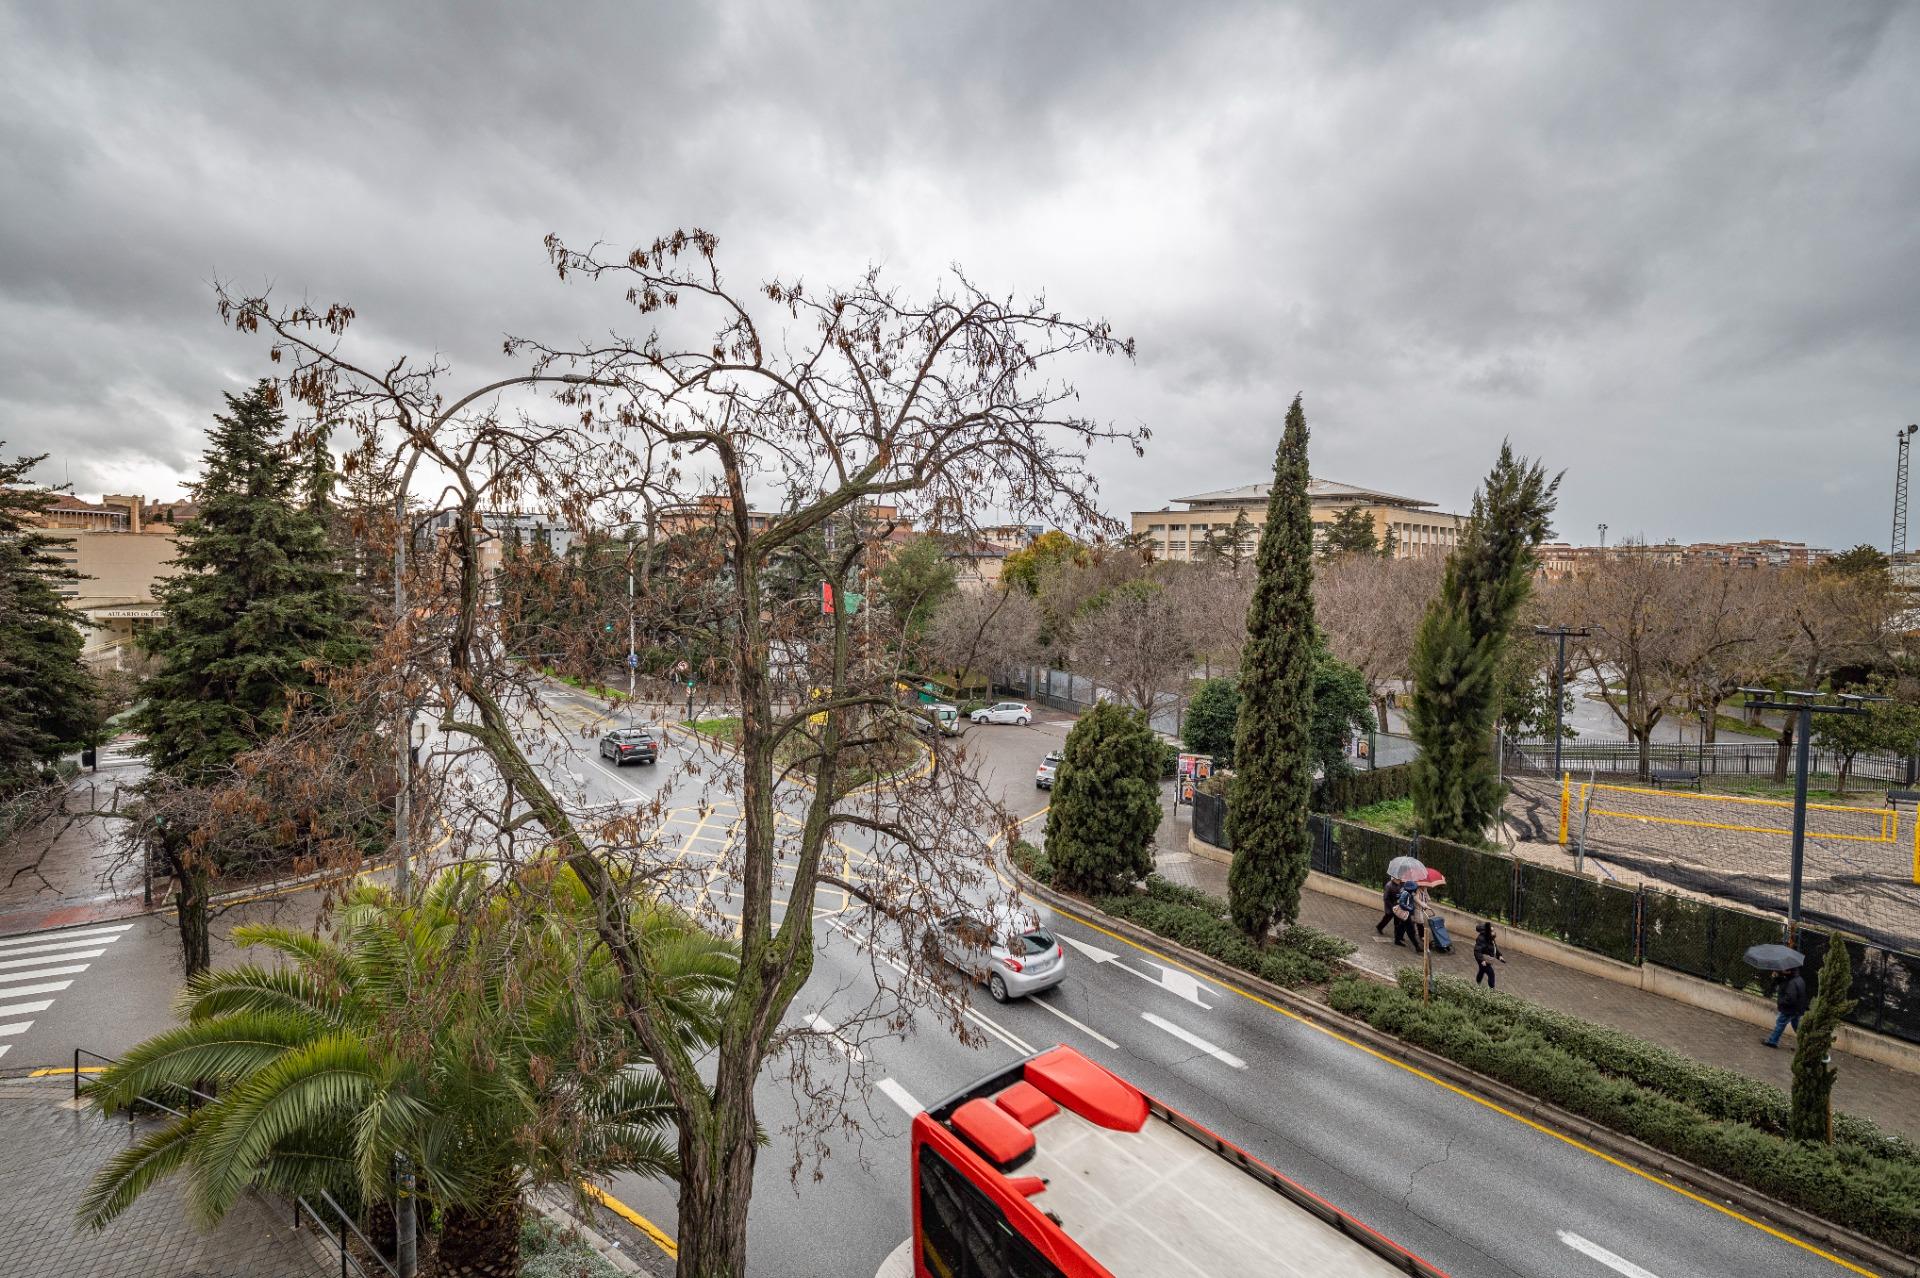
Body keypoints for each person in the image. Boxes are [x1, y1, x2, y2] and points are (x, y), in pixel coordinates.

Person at [1763, 967, 1810, 1048]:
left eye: (1784, 969)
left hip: (1790, 1008)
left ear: (1789, 971)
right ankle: (1807, 1042)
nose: (1781, 970)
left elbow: (1790, 998)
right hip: (1798, 1008)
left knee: (1780, 1023)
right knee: (1796, 1026)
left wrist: (1781, 1002)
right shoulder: (1797, 978)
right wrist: (1776, 977)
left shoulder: (1792, 982)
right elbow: (1783, 984)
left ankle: (1772, 1041)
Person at [1473, 921, 1505, 988]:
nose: (1494, 932)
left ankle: (1477, 982)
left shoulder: (1490, 938)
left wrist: (1499, 956)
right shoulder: (1482, 939)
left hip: (1487, 959)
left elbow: (1494, 948)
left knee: (1482, 970)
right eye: (1492, 931)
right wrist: (1482, 960)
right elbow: (1477, 951)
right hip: (1483, 959)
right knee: (1491, 973)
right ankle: (1491, 989)